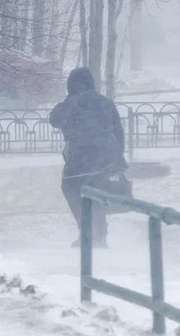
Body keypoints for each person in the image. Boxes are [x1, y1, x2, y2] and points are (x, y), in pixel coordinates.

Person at [49, 67, 128, 248]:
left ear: (71, 85)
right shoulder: (106, 103)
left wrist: (69, 100)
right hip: (108, 158)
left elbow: (54, 119)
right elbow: (118, 132)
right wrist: (117, 157)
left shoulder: (71, 103)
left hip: (81, 160)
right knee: (97, 193)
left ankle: (88, 234)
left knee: (72, 189)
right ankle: (98, 236)